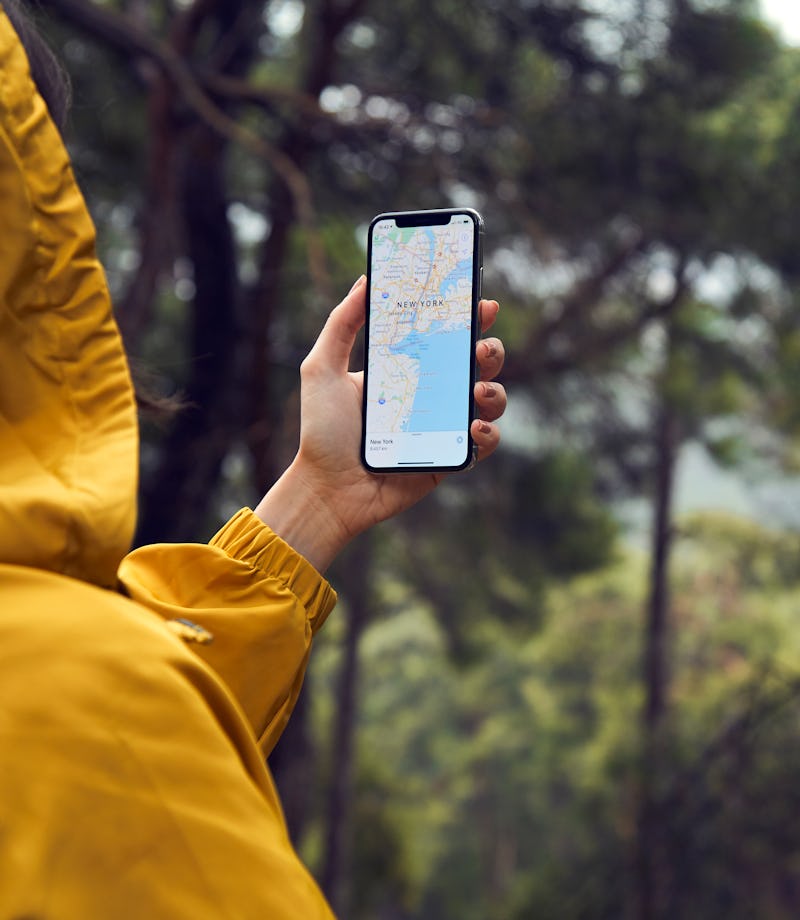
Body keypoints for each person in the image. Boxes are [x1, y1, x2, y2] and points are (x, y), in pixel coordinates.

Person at [0, 2, 507, 917]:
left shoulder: (87, 698)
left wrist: (317, 496)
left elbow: (141, 723)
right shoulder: (79, 712)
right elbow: (110, 745)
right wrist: (123, 703)